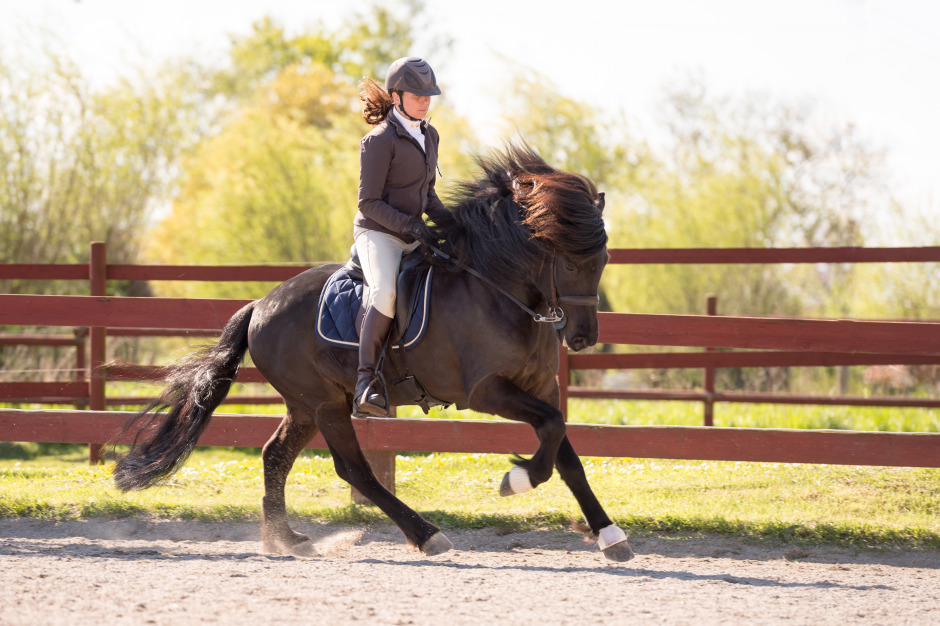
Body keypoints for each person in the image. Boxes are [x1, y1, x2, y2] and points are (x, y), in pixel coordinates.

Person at [352, 56, 447, 417]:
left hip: (413, 231)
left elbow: (429, 197)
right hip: (379, 233)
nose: (425, 101)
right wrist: (410, 226)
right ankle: (365, 382)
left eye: (429, 95)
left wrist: (456, 224)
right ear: (396, 96)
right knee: (386, 293)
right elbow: (369, 202)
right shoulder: (378, 141)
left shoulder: (430, 134)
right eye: (417, 95)